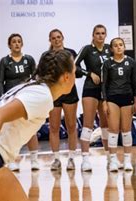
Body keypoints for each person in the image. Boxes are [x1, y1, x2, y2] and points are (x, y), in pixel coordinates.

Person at [0, 49, 76, 201]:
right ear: (65, 77)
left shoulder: (34, 88)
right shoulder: (42, 95)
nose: (75, 75)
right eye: (74, 71)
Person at [0, 33, 40, 171]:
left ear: (22, 44)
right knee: (10, 129)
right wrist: (2, 98)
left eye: (19, 41)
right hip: (11, 99)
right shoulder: (4, 61)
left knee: (30, 128)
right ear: (9, 45)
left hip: (26, 98)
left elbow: (35, 78)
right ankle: (12, 160)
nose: (16, 44)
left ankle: (34, 159)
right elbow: (0, 81)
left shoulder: (29, 59)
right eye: (14, 42)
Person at [75, 24, 111, 172]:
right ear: (93, 35)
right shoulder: (87, 49)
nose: (100, 36)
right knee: (88, 124)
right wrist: (89, 74)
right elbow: (74, 65)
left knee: (106, 124)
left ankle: (111, 158)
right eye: (97, 33)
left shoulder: (110, 48)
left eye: (103, 33)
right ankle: (85, 159)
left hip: (107, 90)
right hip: (91, 88)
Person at [102, 37, 136, 172]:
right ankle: (113, 160)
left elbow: (135, 82)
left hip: (127, 97)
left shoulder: (130, 62)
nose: (119, 47)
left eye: (121, 45)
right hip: (112, 98)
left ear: (124, 47)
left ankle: (127, 160)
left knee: (126, 129)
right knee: (113, 129)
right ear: (111, 49)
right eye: (116, 45)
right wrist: (105, 102)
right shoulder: (107, 64)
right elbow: (104, 84)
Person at [45, 29, 80, 171]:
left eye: (58, 37)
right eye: (53, 38)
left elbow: (77, 73)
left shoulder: (70, 53)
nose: (56, 40)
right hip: (54, 94)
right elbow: (43, 75)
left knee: (71, 125)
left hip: (70, 92)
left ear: (63, 38)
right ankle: (56, 159)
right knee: (53, 127)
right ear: (50, 40)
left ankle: (71, 158)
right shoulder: (46, 56)